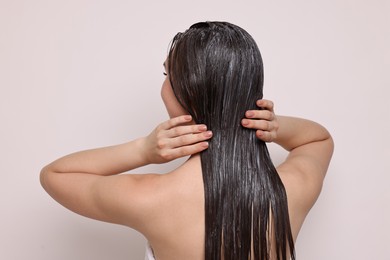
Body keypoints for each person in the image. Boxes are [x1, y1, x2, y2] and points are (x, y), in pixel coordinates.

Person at [40, 22, 333, 260]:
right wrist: (275, 127)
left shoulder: (152, 198)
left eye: (167, 74)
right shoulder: (291, 189)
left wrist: (143, 150)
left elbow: (55, 175)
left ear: (188, 93)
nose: (163, 85)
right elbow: (318, 140)